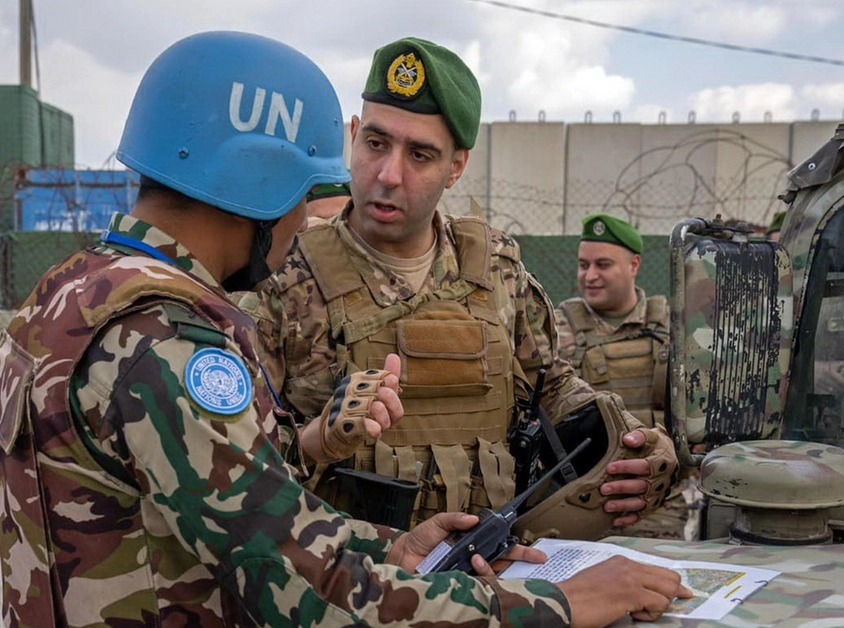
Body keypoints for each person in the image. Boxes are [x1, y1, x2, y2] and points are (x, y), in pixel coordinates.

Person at [0, 30, 690, 628]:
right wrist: (566, 602)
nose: (306, 214)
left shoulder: (70, 290)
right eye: (307, 187)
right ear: (256, 178)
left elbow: (229, 505)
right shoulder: (168, 342)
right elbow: (317, 604)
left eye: (419, 154)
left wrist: (390, 545)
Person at [250, 38, 677, 537]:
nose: (388, 174)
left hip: (494, 561)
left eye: (421, 155)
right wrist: (315, 440)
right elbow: (238, 461)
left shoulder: (496, 268)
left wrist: (635, 439)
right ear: (352, 135)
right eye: (375, 143)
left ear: (456, 167)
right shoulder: (282, 278)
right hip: (352, 582)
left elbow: (551, 386)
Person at [553, 213, 693, 540]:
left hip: (657, 502)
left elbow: (698, 413)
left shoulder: (676, 328)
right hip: (578, 503)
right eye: (583, 265)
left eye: (603, 265)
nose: (590, 276)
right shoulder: (556, 328)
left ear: (633, 265)